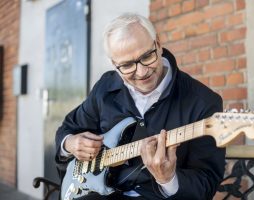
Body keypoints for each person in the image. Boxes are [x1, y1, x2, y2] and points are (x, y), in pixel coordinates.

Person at [55, 13, 225, 200]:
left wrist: (168, 179)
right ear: (114, 64)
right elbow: (68, 128)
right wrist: (70, 143)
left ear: (158, 44)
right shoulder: (105, 87)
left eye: (147, 56)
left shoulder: (203, 102)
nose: (142, 72)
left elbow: (206, 182)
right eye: (127, 65)